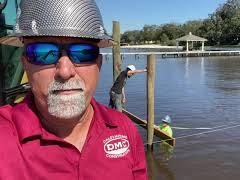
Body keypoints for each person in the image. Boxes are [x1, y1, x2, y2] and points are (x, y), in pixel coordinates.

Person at [0, 0, 147, 179]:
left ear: (98, 64)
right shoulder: (5, 137)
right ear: (25, 65)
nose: (65, 71)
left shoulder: (124, 129)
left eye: (83, 52)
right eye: (43, 52)